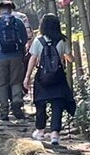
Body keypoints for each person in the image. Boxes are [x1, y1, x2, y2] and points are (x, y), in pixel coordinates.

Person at [25, 14, 76, 144]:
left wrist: (27, 77)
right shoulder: (62, 40)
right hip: (58, 76)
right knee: (57, 104)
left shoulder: (38, 40)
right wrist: (70, 58)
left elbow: (33, 59)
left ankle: (40, 131)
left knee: (40, 103)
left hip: (42, 76)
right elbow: (70, 58)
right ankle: (54, 134)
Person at [0, 0, 29, 122]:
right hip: (16, 57)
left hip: (0, 58)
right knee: (16, 82)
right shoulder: (18, 22)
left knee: (2, 84)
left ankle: (4, 111)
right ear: (11, 10)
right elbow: (24, 39)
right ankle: (17, 103)